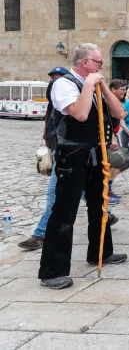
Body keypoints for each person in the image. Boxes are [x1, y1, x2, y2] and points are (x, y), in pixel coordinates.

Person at [39, 43, 128, 289]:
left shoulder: (95, 86)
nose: (101, 67)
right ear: (86, 62)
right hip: (72, 155)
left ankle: (101, 252)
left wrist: (102, 88)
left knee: (100, 205)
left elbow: (119, 113)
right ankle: (52, 270)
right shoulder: (64, 84)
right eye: (99, 62)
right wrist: (89, 84)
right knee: (64, 211)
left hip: (95, 154)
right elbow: (79, 113)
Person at [18, 66, 68, 251]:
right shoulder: (53, 102)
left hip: (64, 151)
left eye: (58, 78)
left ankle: (40, 234)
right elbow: (50, 124)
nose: (54, 81)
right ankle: (106, 214)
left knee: (53, 193)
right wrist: (45, 140)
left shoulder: (66, 100)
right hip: (55, 148)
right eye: (52, 78)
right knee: (83, 190)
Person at [106, 79, 127, 204]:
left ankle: (108, 188)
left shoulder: (117, 102)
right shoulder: (108, 103)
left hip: (113, 135)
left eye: (125, 89)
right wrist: (112, 137)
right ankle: (105, 191)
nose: (124, 92)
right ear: (113, 90)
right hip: (109, 136)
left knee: (120, 162)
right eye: (122, 89)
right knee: (111, 163)